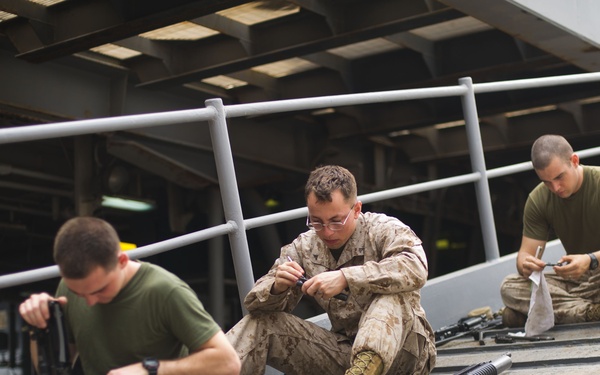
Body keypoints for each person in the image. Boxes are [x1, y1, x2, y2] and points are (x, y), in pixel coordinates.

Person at [226, 165, 436, 375]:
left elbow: (415, 267)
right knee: (261, 323)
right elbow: (255, 305)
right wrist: (277, 287)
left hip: (406, 357)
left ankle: (366, 368)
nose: (326, 232)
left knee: (391, 295)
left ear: (356, 209)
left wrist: (346, 277)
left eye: (336, 221)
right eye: (316, 221)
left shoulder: (384, 229)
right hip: (345, 355)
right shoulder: (304, 246)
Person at [19, 216, 241, 375]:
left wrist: (150, 369)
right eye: (79, 293)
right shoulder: (67, 289)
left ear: (122, 261)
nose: (89, 301)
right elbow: (53, 367)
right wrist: (41, 325)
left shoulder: (164, 291)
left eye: (99, 290)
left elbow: (228, 362)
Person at [500, 134, 600, 327]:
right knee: (509, 287)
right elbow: (525, 255)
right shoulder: (538, 199)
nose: (555, 188)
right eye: (546, 182)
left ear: (574, 161)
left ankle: (543, 312)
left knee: (513, 314)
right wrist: (525, 265)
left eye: (559, 177)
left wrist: (590, 260)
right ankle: (589, 312)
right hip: (577, 282)